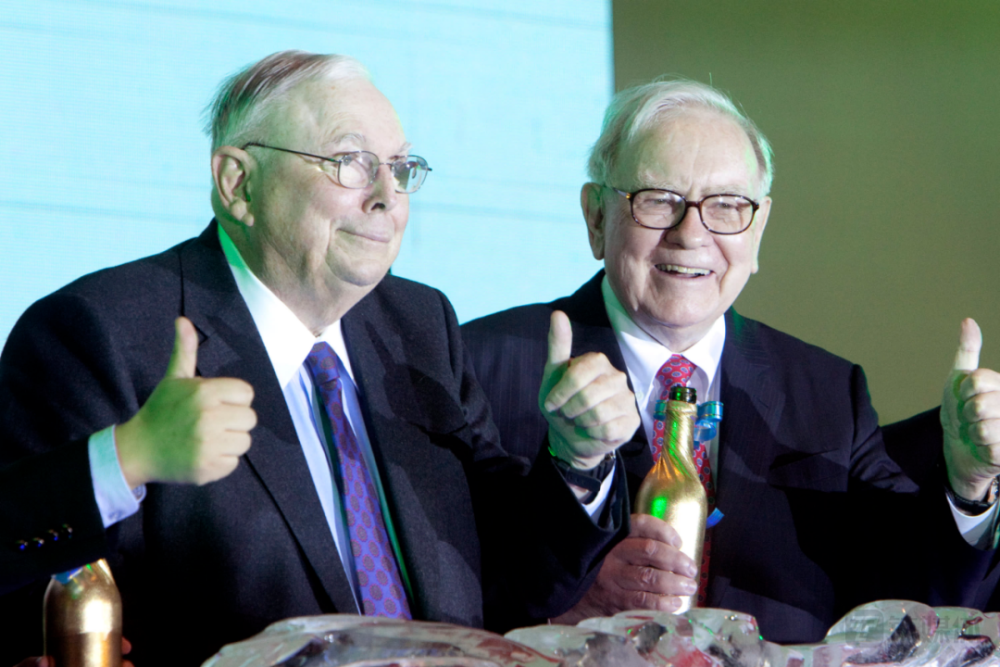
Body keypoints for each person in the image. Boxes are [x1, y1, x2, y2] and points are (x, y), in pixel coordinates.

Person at [0, 51, 638, 666]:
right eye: (350, 162)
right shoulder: (101, 331)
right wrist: (127, 457)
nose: (387, 196)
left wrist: (576, 459)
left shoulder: (419, 324)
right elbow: (15, 578)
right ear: (239, 184)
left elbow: (510, 578)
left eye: (400, 167)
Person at [462, 79, 1000, 643]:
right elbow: (427, 595)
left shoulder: (827, 392)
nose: (691, 234)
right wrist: (563, 613)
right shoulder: (481, 366)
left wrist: (969, 485)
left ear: (758, 228)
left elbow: (914, 610)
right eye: (658, 199)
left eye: (726, 206)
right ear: (597, 216)